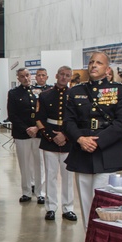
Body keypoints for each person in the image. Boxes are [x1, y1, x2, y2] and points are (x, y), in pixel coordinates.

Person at [63, 52, 122, 226]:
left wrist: (97, 141)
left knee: (103, 202)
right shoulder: (76, 91)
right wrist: (80, 139)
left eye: (99, 63)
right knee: (86, 202)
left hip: (107, 151)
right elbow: (68, 121)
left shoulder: (119, 90)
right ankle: (88, 238)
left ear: (107, 68)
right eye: (91, 62)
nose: (94, 65)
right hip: (82, 151)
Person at [35, 66, 77, 221]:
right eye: (62, 74)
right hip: (50, 139)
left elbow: (77, 119)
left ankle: (68, 208)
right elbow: (39, 118)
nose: (64, 78)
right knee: (50, 175)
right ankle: (51, 207)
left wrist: (66, 135)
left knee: (67, 177)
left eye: (67, 75)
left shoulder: (74, 95)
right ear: (56, 75)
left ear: (70, 78)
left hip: (68, 140)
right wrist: (50, 136)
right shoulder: (45, 95)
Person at [7, 68, 40, 203]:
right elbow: (12, 115)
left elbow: (43, 112)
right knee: (24, 164)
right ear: (18, 78)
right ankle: (26, 191)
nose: (25, 78)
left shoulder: (39, 91)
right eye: (22, 76)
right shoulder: (14, 93)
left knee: (39, 164)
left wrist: (37, 128)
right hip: (22, 133)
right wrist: (27, 129)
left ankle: (40, 191)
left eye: (27, 75)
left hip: (39, 132)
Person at [30, 69, 51, 204]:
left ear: (47, 77)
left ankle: (42, 190)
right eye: (39, 75)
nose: (41, 77)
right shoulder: (30, 90)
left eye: (43, 75)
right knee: (32, 161)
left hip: (45, 130)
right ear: (35, 77)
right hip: (30, 129)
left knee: (43, 163)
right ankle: (33, 183)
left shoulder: (51, 90)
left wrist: (40, 127)